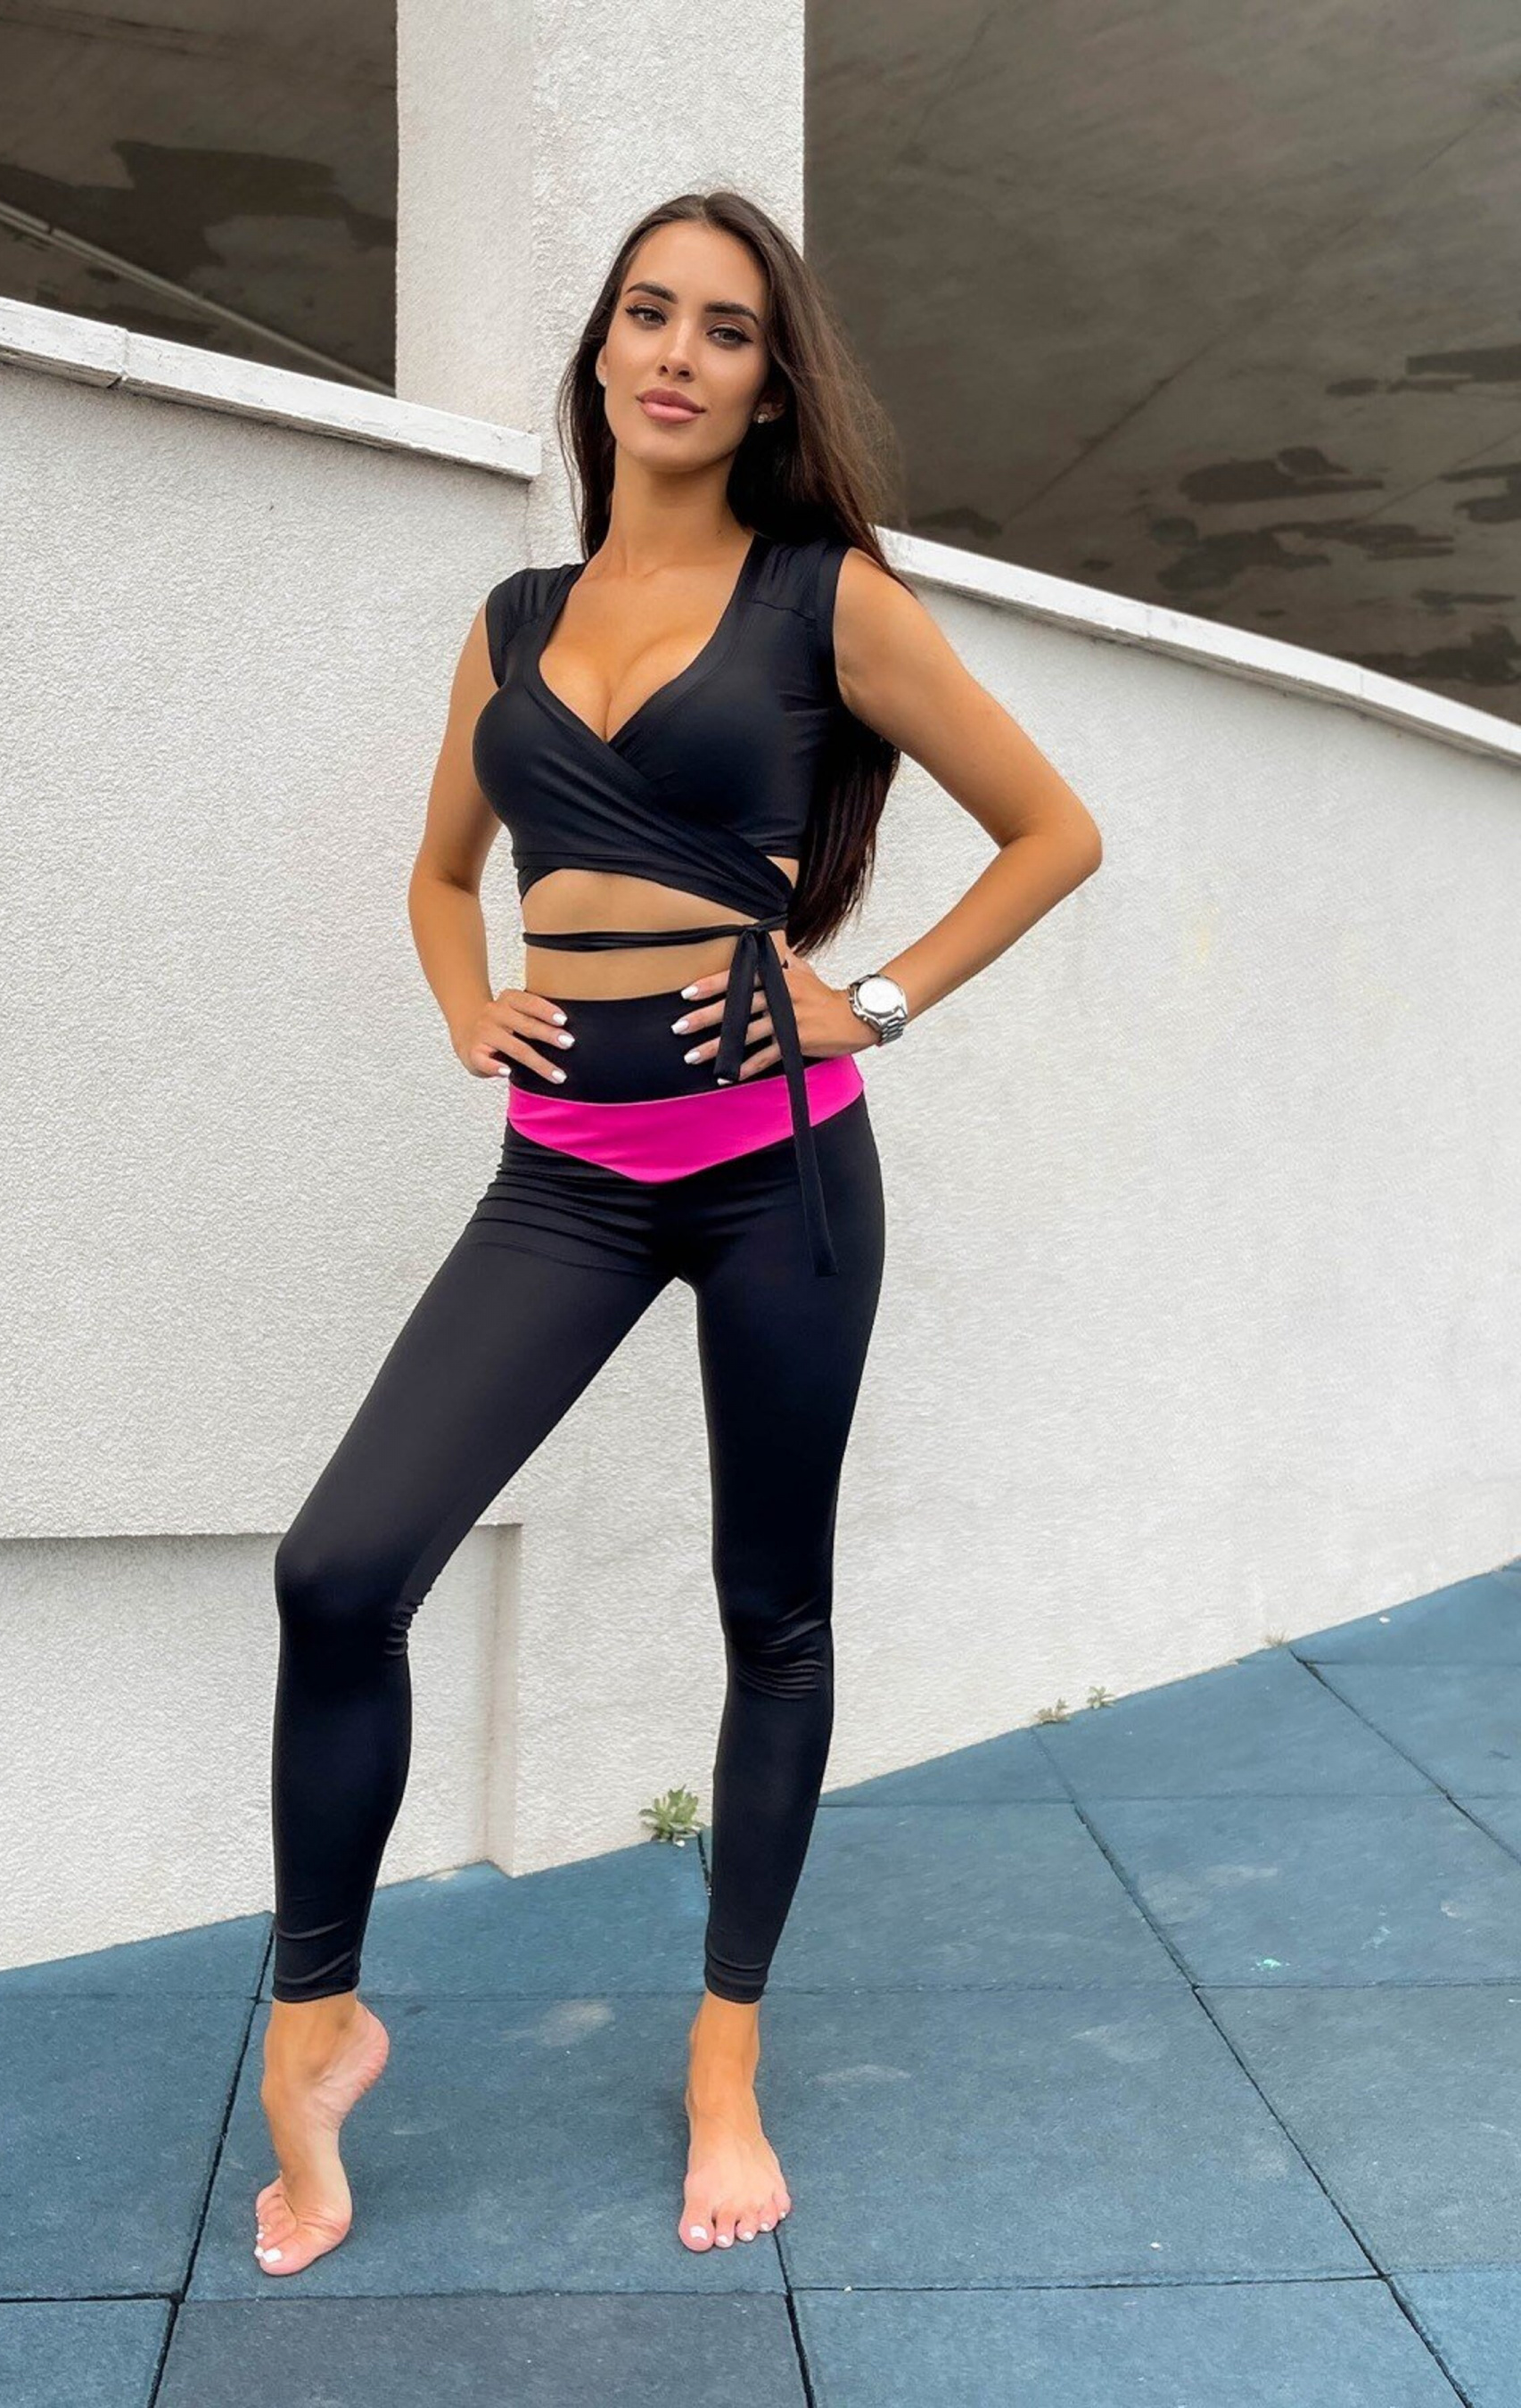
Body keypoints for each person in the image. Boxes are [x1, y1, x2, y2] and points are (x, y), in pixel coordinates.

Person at [255, 190, 1103, 2278]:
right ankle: (317, 2020)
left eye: (725, 329)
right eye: (648, 313)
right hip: (564, 1175)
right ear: (602, 349)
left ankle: (725, 2051)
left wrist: (866, 996)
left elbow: (1052, 831)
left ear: (766, 386)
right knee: (338, 1571)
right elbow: (439, 872)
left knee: (768, 1613)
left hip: (776, 1169)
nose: (676, 353)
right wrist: (465, 1003)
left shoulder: (826, 598)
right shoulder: (512, 618)